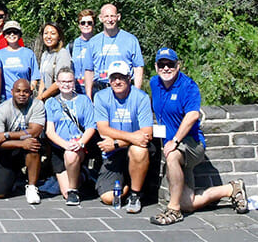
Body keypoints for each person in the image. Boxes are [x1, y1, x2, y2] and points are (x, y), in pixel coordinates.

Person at [149, 48, 248, 225]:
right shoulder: (154, 83)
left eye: (170, 64)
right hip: (174, 148)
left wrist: (175, 141)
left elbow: (193, 115)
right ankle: (231, 188)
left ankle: (173, 211)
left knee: (172, 156)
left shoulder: (188, 86)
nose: (166, 68)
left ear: (177, 66)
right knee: (188, 203)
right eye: (162, 64)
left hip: (191, 145)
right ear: (156, 66)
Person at [93, 60, 153, 213]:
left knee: (139, 149)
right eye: (114, 78)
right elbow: (103, 129)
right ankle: (126, 183)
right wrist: (132, 137)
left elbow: (146, 133)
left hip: (130, 148)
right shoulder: (101, 97)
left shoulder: (141, 97)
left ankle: (135, 195)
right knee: (108, 198)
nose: (117, 81)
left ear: (129, 78)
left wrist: (117, 143)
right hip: (112, 154)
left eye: (121, 77)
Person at [0, 78, 46, 204]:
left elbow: (35, 131)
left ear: (30, 93)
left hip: (28, 146)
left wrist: (7, 135)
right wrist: (21, 143)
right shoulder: (1, 110)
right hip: (8, 150)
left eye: (25, 92)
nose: (22, 94)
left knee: (33, 144)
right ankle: (14, 178)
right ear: (12, 91)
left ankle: (31, 187)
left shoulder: (37, 105)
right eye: (18, 91)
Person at [44, 67, 96, 205]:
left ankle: (74, 191)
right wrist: (65, 144)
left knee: (71, 155)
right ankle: (82, 176)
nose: (66, 85)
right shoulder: (51, 102)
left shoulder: (84, 101)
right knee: (64, 192)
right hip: (60, 147)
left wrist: (80, 143)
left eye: (69, 81)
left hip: (79, 146)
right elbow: (50, 131)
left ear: (74, 82)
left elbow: (91, 127)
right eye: (62, 81)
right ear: (57, 83)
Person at [84, 3, 144, 97]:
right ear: (101, 18)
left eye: (112, 16)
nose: (110, 19)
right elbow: (89, 71)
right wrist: (89, 96)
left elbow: (138, 68)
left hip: (124, 89)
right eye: (106, 16)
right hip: (100, 90)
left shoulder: (131, 40)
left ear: (118, 17)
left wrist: (136, 93)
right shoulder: (93, 42)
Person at [0, 20, 40, 99]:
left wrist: (28, 90)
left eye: (15, 32)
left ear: (19, 35)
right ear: (4, 35)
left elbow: (34, 76)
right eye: (8, 32)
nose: (12, 34)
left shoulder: (29, 53)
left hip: (23, 98)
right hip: (5, 98)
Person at [37, 22, 73, 101]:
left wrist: (42, 96)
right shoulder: (45, 55)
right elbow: (43, 79)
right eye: (46, 33)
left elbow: (60, 81)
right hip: (46, 99)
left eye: (53, 33)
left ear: (59, 37)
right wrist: (39, 98)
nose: (48, 36)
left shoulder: (62, 53)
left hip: (59, 99)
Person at [71, 9, 95, 92]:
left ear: (93, 24)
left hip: (95, 88)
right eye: (83, 23)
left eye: (89, 23)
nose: (86, 25)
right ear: (79, 25)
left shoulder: (99, 43)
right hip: (76, 89)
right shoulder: (72, 45)